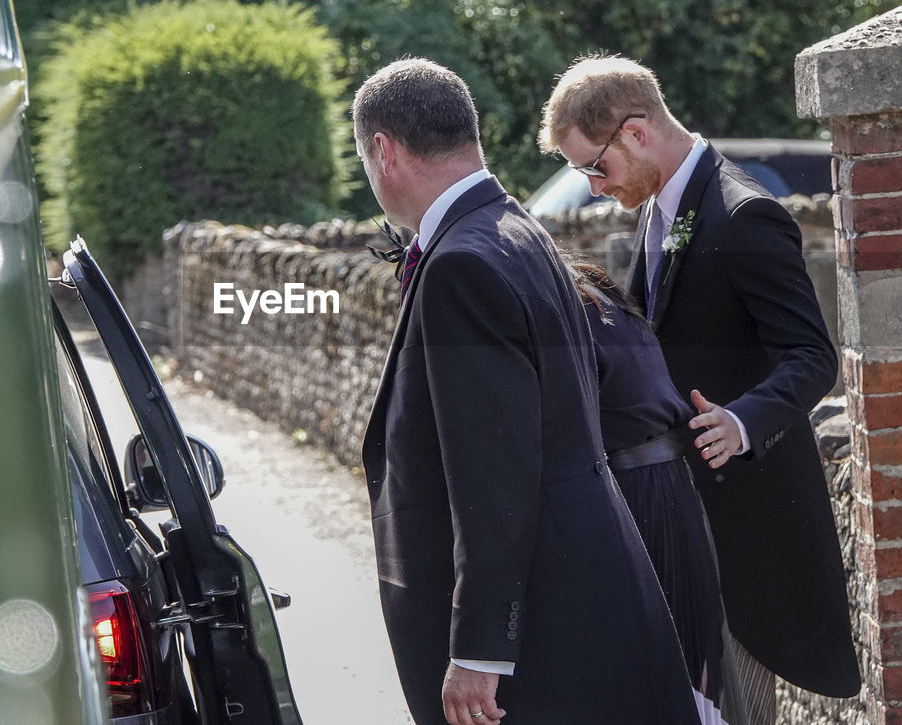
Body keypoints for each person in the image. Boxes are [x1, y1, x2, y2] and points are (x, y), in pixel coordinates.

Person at [355, 58, 699, 725]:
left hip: (547, 627)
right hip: (587, 586)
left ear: (383, 150)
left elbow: (497, 469)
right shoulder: (514, 228)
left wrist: (482, 649)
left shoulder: (460, 266)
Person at [539, 54, 861, 723]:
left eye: (595, 166)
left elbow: (812, 354)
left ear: (634, 132)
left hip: (744, 528)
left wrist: (741, 422)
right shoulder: (659, 209)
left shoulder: (744, 214)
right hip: (679, 522)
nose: (595, 187)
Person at [566, 258, 732, 725]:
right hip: (668, 488)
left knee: (655, 679)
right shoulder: (592, 291)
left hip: (635, 500)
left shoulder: (568, 304)